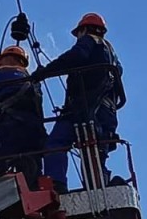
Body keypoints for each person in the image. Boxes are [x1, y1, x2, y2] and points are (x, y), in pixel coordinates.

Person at [31, 12, 126, 193]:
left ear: (83, 30)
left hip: (83, 109)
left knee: (56, 143)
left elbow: (75, 57)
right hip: (106, 114)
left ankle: (55, 183)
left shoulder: (89, 41)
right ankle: (102, 185)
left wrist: (44, 73)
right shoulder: (111, 54)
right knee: (96, 153)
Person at [0, 45, 46, 189]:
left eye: (2, 60)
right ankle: (34, 190)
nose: (0, 64)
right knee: (32, 168)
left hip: (11, 129)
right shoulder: (32, 82)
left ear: (10, 59)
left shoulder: (3, 74)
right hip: (35, 133)